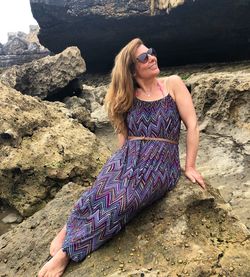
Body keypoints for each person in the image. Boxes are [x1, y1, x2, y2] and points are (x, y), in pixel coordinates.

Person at [38, 38, 206, 277]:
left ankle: (68, 253)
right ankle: (70, 227)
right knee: (99, 191)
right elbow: (123, 142)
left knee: (123, 201)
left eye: (151, 52)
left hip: (161, 163)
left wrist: (189, 166)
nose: (152, 57)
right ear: (131, 69)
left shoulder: (173, 84)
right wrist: (117, 169)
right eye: (143, 57)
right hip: (128, 156)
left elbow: (192, 125)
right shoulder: (125, 98)